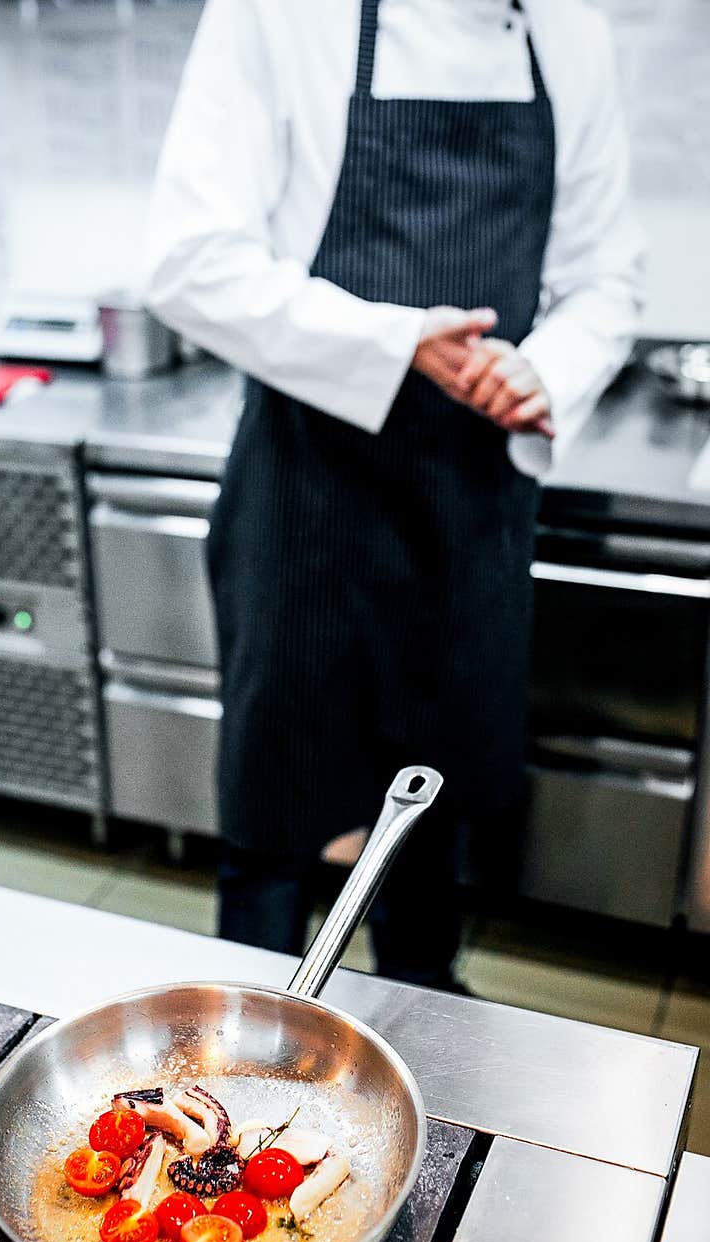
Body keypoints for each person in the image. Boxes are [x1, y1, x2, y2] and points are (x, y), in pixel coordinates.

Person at [145, 0, 643, 989]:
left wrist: (543, 371)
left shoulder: (567, 29)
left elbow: (607, 281)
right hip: (304, 501)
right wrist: (394, 343)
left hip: (470, 505)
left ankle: (422, 1054)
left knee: (431, 819)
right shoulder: (276, 11)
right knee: (271, 825)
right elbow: (187, 259)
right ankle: (244, 1060)